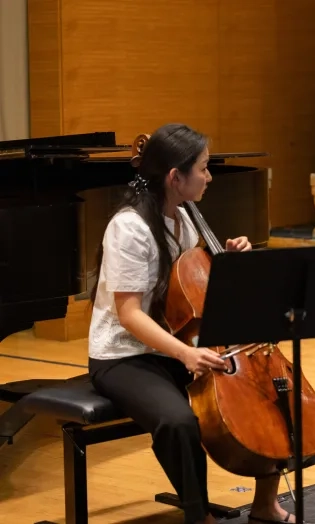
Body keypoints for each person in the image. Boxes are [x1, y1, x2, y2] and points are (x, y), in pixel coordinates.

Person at [87, 123, 297, 524]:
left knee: (269, 390)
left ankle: (265, 505)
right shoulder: (129, 228)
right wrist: (185, 354)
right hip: (124, 355)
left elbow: (193, 290)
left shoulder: (183, 219)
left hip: (173, 343)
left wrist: (230, 261)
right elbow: (129, 314)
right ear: (174, 177)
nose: (209, 176)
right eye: (203, 168)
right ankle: (198, 516)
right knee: (178, 420)